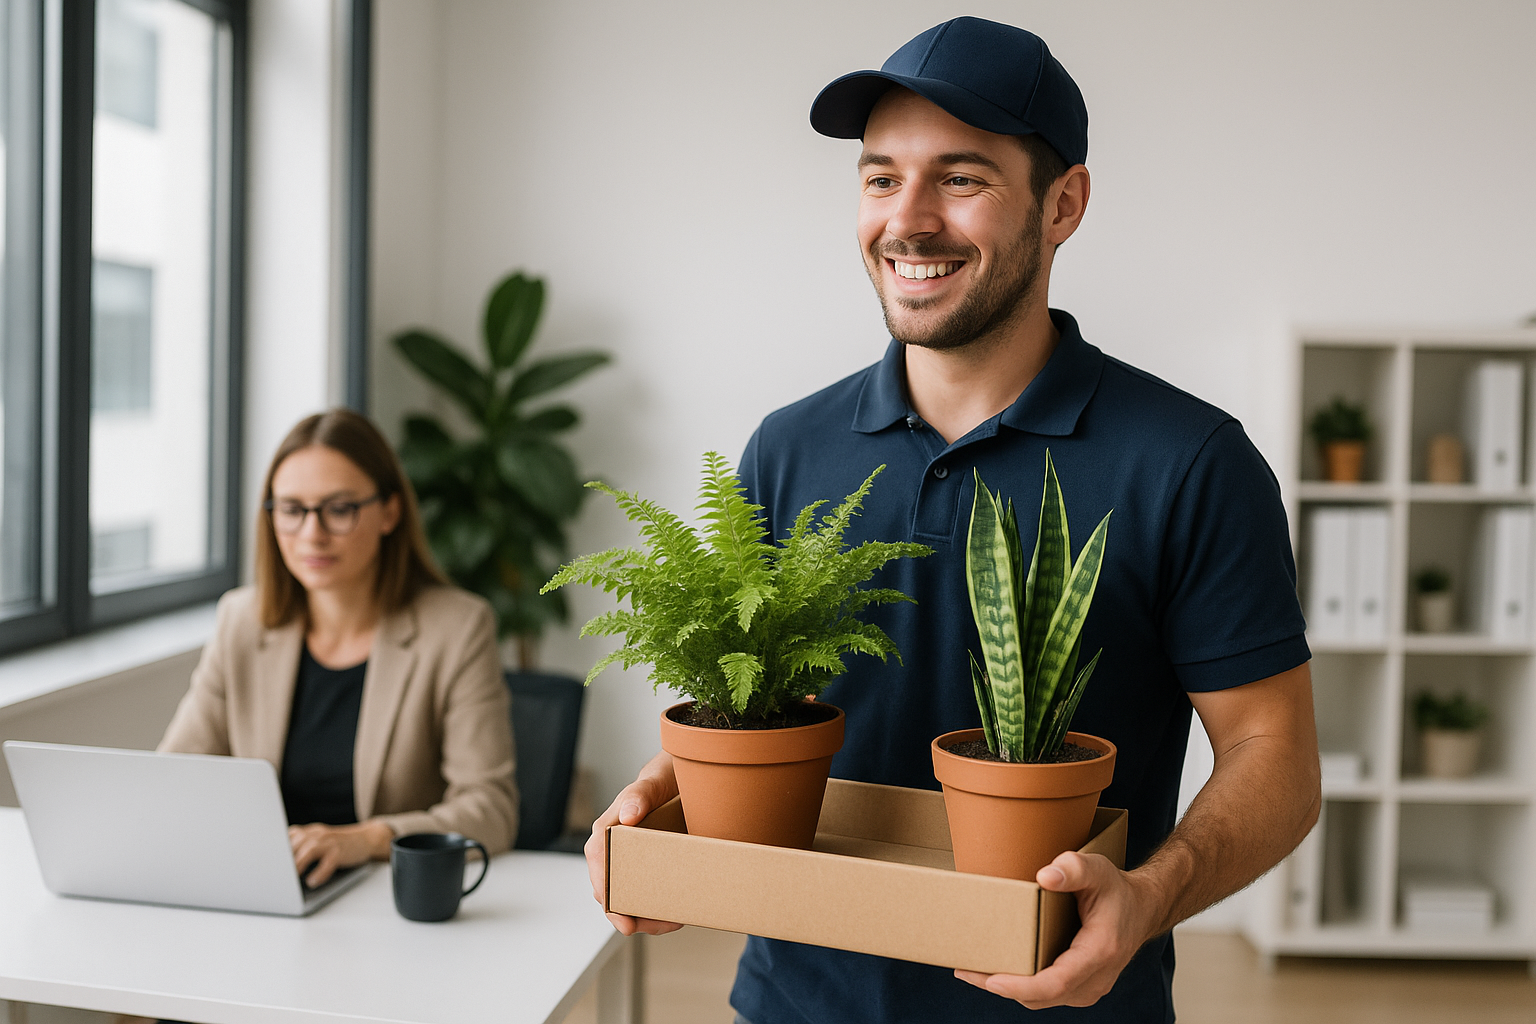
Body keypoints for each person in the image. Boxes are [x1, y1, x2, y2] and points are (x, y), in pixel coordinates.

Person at [586, 17, 1322, 1024]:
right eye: (881, 177)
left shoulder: (1191, 461)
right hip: (795, 1003)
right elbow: (756, 713)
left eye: (962, 178)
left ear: (1063, 205)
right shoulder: (790, 449)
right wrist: (662, 797)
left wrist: (1149, 895)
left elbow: (1274, 752)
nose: (909, 219)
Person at [160, 409, 519, 887]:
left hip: (386, 896)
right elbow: (176, 776)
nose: (312, 533)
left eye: (339, 508)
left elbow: (490, 809)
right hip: (265, 886)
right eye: (291, 509)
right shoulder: (241, 621)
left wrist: (367, 839)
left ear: (389, 512)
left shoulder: (456, 628)